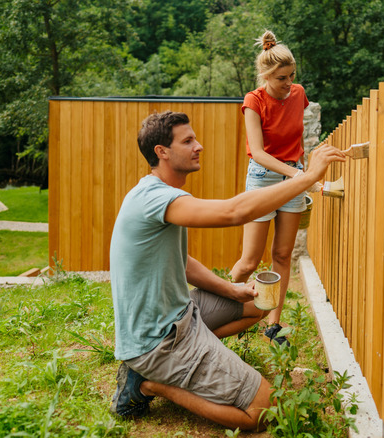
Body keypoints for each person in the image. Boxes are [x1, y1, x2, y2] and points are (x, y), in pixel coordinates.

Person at [109, 110, 344, 430]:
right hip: (159, 342)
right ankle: (148, 384)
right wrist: (306, 177)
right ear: (161, 152)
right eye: (188, 140)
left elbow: (183, 261)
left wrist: (230, 289)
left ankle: (196, 357)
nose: (199, 146)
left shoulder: (158, 193)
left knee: (258, 303)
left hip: (182, 315)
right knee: (265, 409)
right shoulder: (153, 199)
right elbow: (233, 212)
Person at [229, 30, 320, 345]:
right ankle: (222, 309)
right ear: (266, 76)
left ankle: (273, 325)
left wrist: (300, 169)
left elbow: (295, 137)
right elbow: (259, 151)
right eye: (282, 77)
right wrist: (299, 177)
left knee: (282, 254)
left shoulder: (298, 94)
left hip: (293, 175)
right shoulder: (254, 101)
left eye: (292, 75)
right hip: (264, 179)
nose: (288, 82)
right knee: (250, 260)